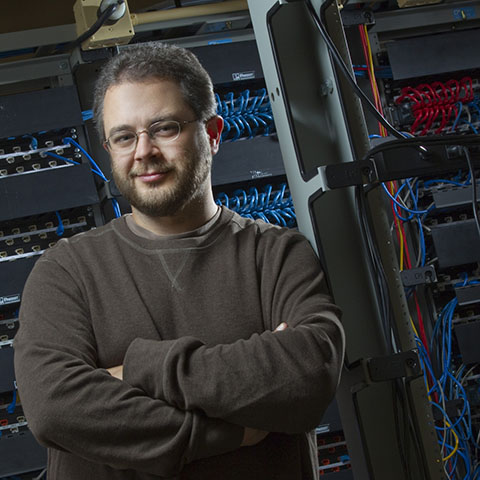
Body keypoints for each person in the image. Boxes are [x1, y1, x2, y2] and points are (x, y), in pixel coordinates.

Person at [14, 42, 345, 480]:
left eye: (165, 128)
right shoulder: (65, 272)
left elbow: (309, 372)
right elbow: (56, 409)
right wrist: (227, 432)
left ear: (213, 134)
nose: (143, 151)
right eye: (124, 136)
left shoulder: (278, 255)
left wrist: (136, 369)